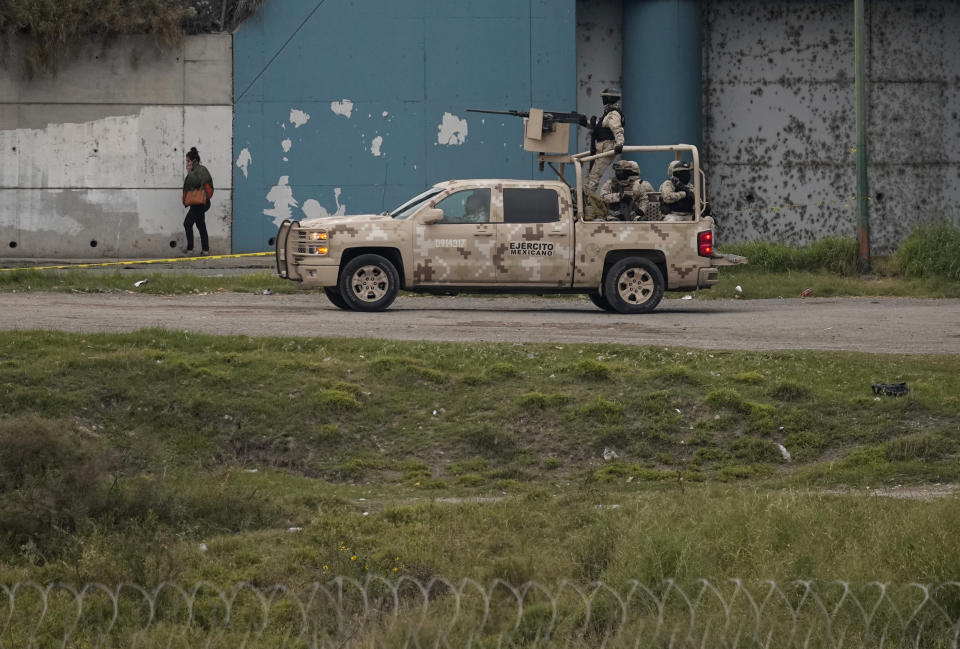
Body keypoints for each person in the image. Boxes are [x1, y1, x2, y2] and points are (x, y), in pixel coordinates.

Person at [584, 88, 625, 192]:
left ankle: (588, 199)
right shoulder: (607, 113)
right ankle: (585, 196)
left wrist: (620, 143)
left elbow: (617, 129)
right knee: (590, 173)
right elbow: (600, 127)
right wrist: (585, 123)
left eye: (604, 97)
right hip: (601, 146)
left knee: (595, 174)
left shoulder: (613, 113)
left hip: (608, 146)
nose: (603, 100)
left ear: (608, 98)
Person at [182, 147, 214, 255]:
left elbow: (195, 183)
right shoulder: (202, 169)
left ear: (193, 161)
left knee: (187, 223)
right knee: (200, 224)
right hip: (201, 202)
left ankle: (190, 250)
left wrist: (189, 172)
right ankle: (205, 250)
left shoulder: (198, 171)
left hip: (200, 203)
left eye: (187, 161)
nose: (186, 163)